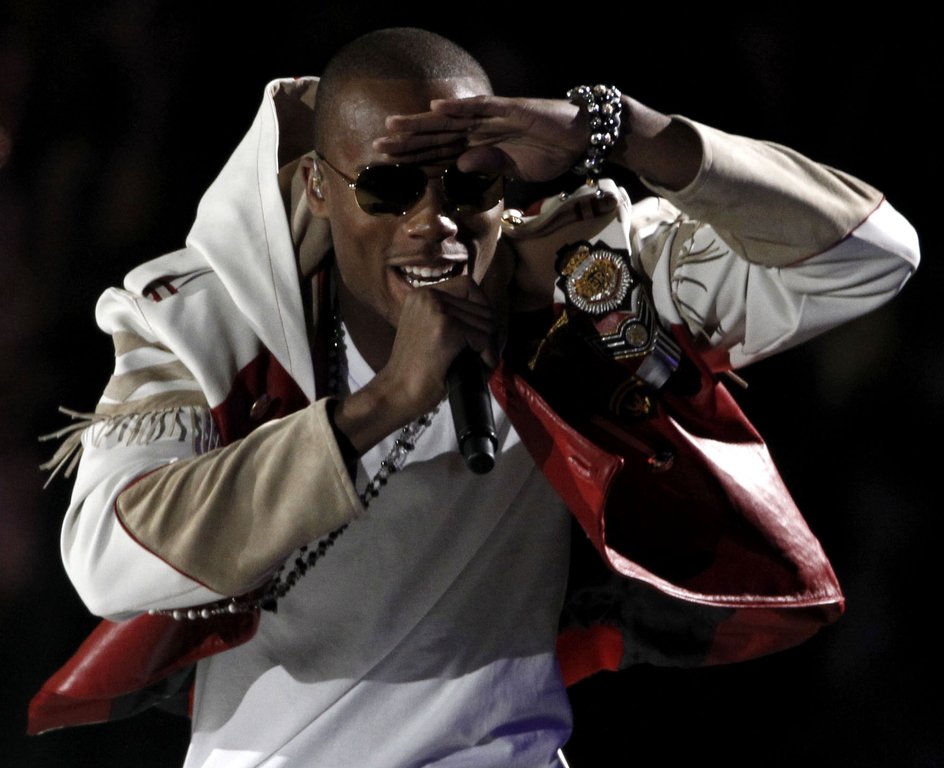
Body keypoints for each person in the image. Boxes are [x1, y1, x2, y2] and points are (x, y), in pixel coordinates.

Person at [29, 26, 919, 768]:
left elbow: (871, 257)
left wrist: (623, 129)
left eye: (468, 184)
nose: (434, 222)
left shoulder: (580, 284)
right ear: (316, 187)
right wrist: (382, 404)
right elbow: (107, 566)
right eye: (388, 187)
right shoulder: (208, 321)